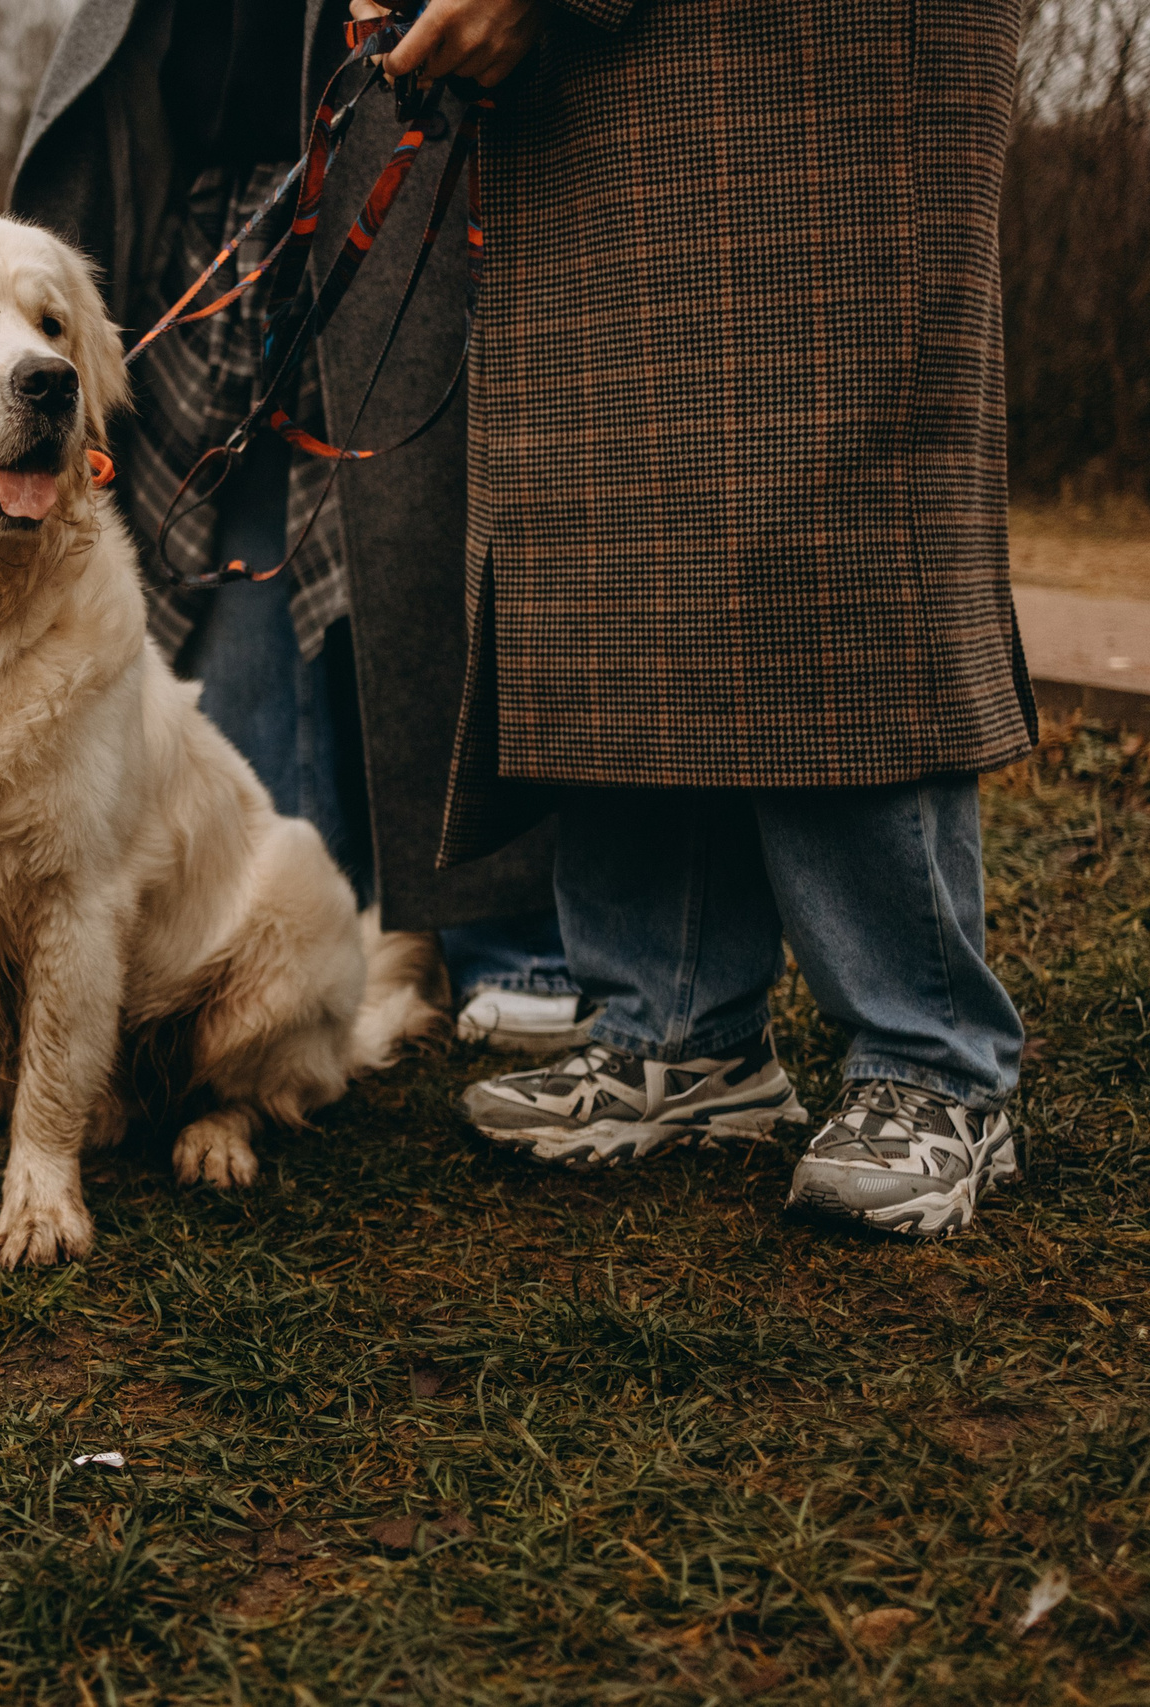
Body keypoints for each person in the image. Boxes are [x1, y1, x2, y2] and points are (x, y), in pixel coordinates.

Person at [350, 0, 1035, 1237]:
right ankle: (674, 1032)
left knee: (826, 524)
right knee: (609, 528)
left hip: (825, 53)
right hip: (598, 80)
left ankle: (931, 1062)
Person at [11, 0, 595, 1055]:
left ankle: (508, 940)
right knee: (234, 612)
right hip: (220, 219)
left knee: (434, 567)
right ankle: (314, 949)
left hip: (418, 181)